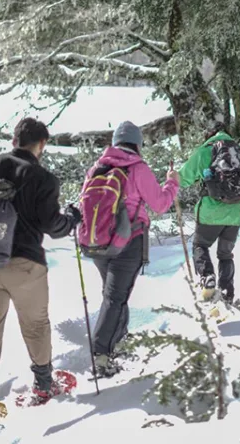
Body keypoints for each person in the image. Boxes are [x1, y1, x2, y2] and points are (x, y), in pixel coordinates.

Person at [0, 117, 81, 433]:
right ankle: (44, 384)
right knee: (35, 324)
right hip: (26, 265)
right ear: (41, 144)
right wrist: (71, 219)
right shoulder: (42, 177)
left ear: (14, 140)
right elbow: (51, 225)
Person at [84, 121, 179, 378]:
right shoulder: (138, 168)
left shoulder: (97, 168)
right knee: (115, 297)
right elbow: (159, 205)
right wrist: (172, 184)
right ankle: (100, 355)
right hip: (128, 239)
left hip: (97, 242)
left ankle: (117, 343)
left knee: (114, 294)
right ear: (138, 144)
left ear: (114, 142)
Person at [178, 123, 240, 303]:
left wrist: (170, 177)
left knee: (200, 246)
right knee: (225, 254)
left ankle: (207, 277)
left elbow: (183, 179)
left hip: (210, 213)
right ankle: (226, 293)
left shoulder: (204, 152)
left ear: (210, 135)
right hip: (236, 213)